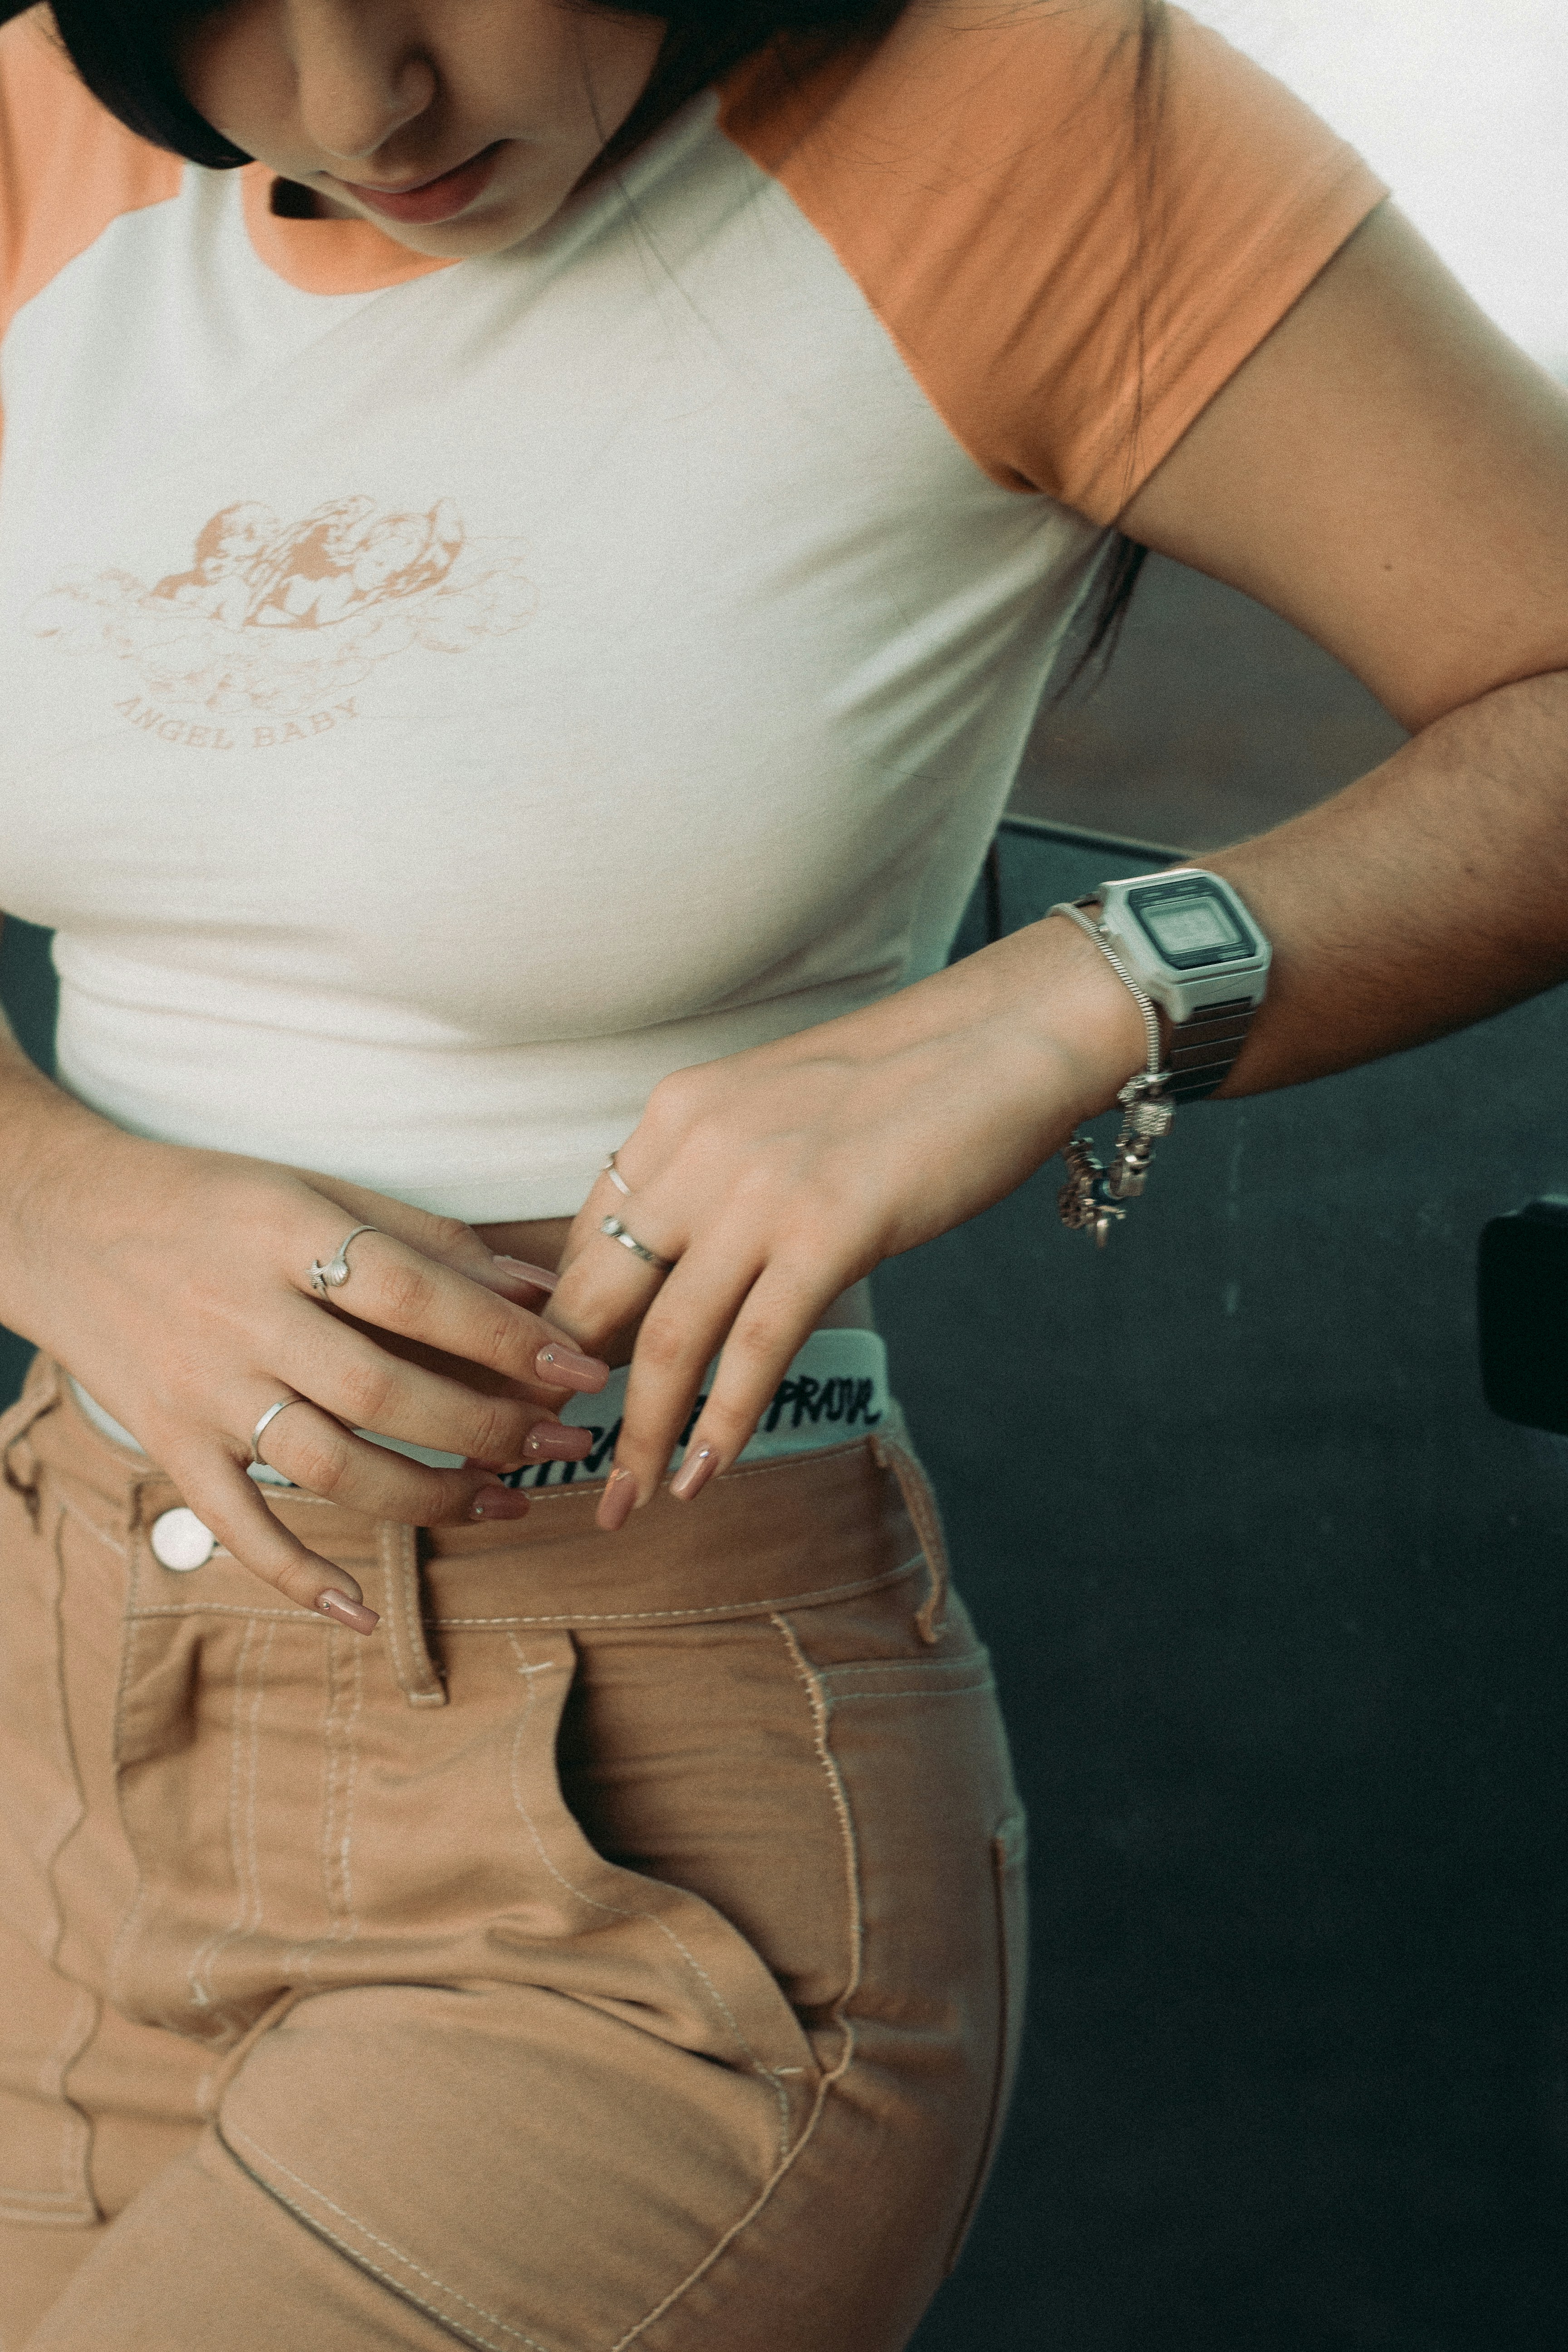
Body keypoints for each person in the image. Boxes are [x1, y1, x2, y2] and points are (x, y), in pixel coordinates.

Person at [0, 2, 1563, 2346]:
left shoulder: (1029, 107)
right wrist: (51, 1198)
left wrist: (1072, 999)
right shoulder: (30, 104)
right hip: (52, 1714)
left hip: (618, 1839)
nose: (352, 101)